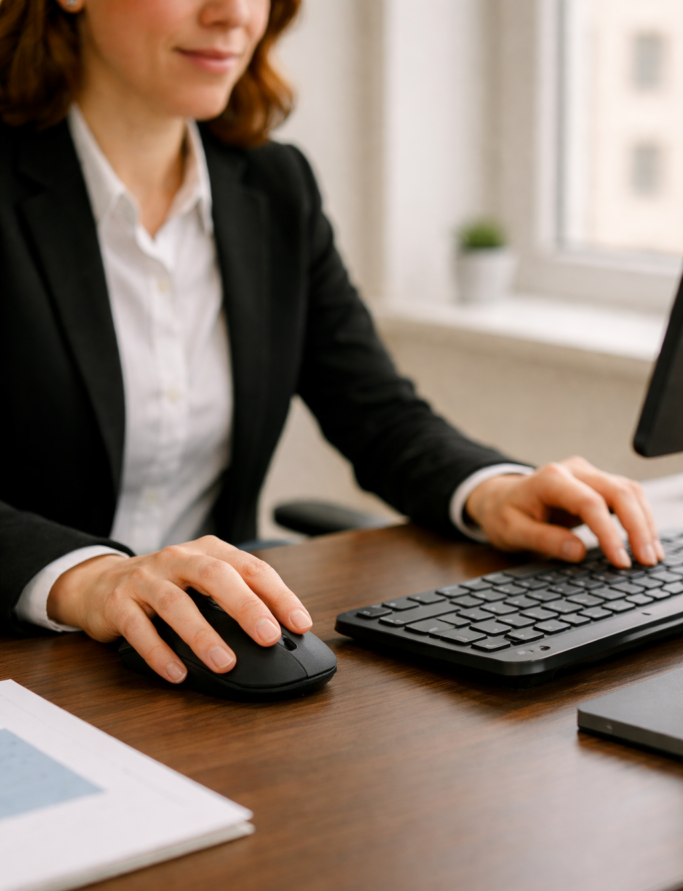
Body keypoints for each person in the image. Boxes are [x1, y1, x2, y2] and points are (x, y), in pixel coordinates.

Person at [0, 0, 664, 690]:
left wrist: (492, 490)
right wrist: (91, 578)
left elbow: (375, 412)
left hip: (210, 654)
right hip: (31, 651)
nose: (232, 14)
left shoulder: (272, 185)